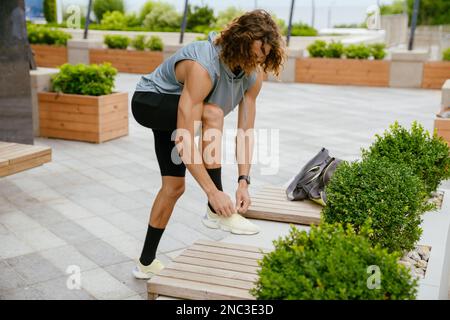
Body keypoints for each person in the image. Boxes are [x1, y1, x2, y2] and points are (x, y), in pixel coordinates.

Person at [131, 9, 286, 279]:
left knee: (174, 187)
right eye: (253, 55)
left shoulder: (253, 74)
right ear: (238, 43)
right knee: (213, 113)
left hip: (180, 109)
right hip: (150, 101)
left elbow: (245, 131)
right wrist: (213, 193)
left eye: (263, 57)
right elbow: (184, 136)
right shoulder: (202, 65)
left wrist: (243, 181)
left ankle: (145, 262)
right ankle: (215, 210)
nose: (257, 62)